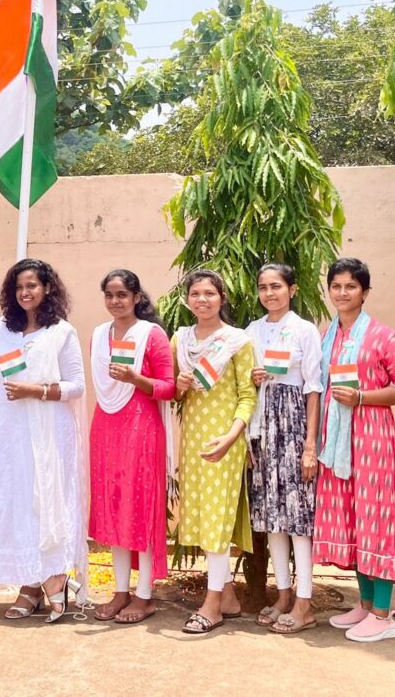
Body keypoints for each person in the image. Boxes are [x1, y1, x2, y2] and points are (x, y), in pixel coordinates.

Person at [0, 258, 88, 624]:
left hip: (49, 433)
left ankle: (54, 577)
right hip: (9, 436)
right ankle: (28, 585)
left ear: (47, 289)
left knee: (47, 503)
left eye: (32, 286)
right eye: (19, 287)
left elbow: (76, 386)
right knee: (18, 504)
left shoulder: (61, 332)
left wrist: (35, 390)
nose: (25, 292)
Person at [313, 257, 395, 643]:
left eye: (351, 286)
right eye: (336, 286)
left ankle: (383, 613)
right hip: (338, 443)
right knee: (355, 520)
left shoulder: (383, 336)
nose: (343, 293)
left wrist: (362, 397)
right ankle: (365, 603)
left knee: (377, 520)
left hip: (373, 439)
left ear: (365, 292)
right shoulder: (329, 336)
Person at [171, 269, 257, 635]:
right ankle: (228, 598)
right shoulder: (180, 340)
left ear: (222, 297)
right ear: (187, 299)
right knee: (204, 514)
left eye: (209, 293)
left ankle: (212, 605)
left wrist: (231, 437)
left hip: (225, 439)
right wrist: (178, 385)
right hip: (192, 438)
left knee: (219, 516)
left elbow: (247, 395)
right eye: (195, 293)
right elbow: (174, 395)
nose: (202, 300)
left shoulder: (237, 341)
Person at [88, 269, 175, 625]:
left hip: (141, 427)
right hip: (106, 427)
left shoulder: (151, 334)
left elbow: (169, 387)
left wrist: (136, 379)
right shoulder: (98, 334)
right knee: (112, 508)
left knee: (140, 506)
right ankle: (120, 591)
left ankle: (144, 595)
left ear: (137, 297)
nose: (115, 301)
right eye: (109, 294)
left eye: (122, 294)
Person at [245, 263, 322, 634]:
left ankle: (306, 602)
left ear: (291, 289)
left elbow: (313, 388)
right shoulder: (252, 332)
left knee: (297, 517)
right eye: (263, 287)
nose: (269, 293)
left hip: (292, 425)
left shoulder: (304, 330)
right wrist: (255, 378)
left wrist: (310, 445)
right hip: (262, 425)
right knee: (271, 516)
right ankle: (283, 594)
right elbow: (242, 385)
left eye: (276, 286)